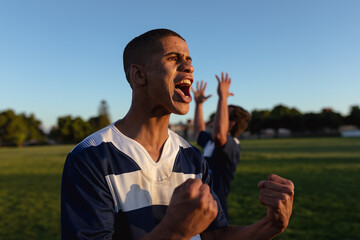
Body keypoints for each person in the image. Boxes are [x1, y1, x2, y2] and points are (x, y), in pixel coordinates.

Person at [61, 28, 294, 240]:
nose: (189, 67)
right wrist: (173, 231)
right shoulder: (89, 158)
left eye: (189, 60)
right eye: (173, 58)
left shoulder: (192, 158)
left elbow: (214, 236)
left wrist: (270, 226)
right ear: (139, 75)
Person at [192, 73, 251, 221]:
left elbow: (219, 135)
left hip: (215, 206)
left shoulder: (232, 146)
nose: (218, 114)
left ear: (232, 124)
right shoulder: (212, 142)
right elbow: (198, 131)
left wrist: (223, 97)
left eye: (224, 112)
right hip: (200, 202)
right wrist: (199, 105)